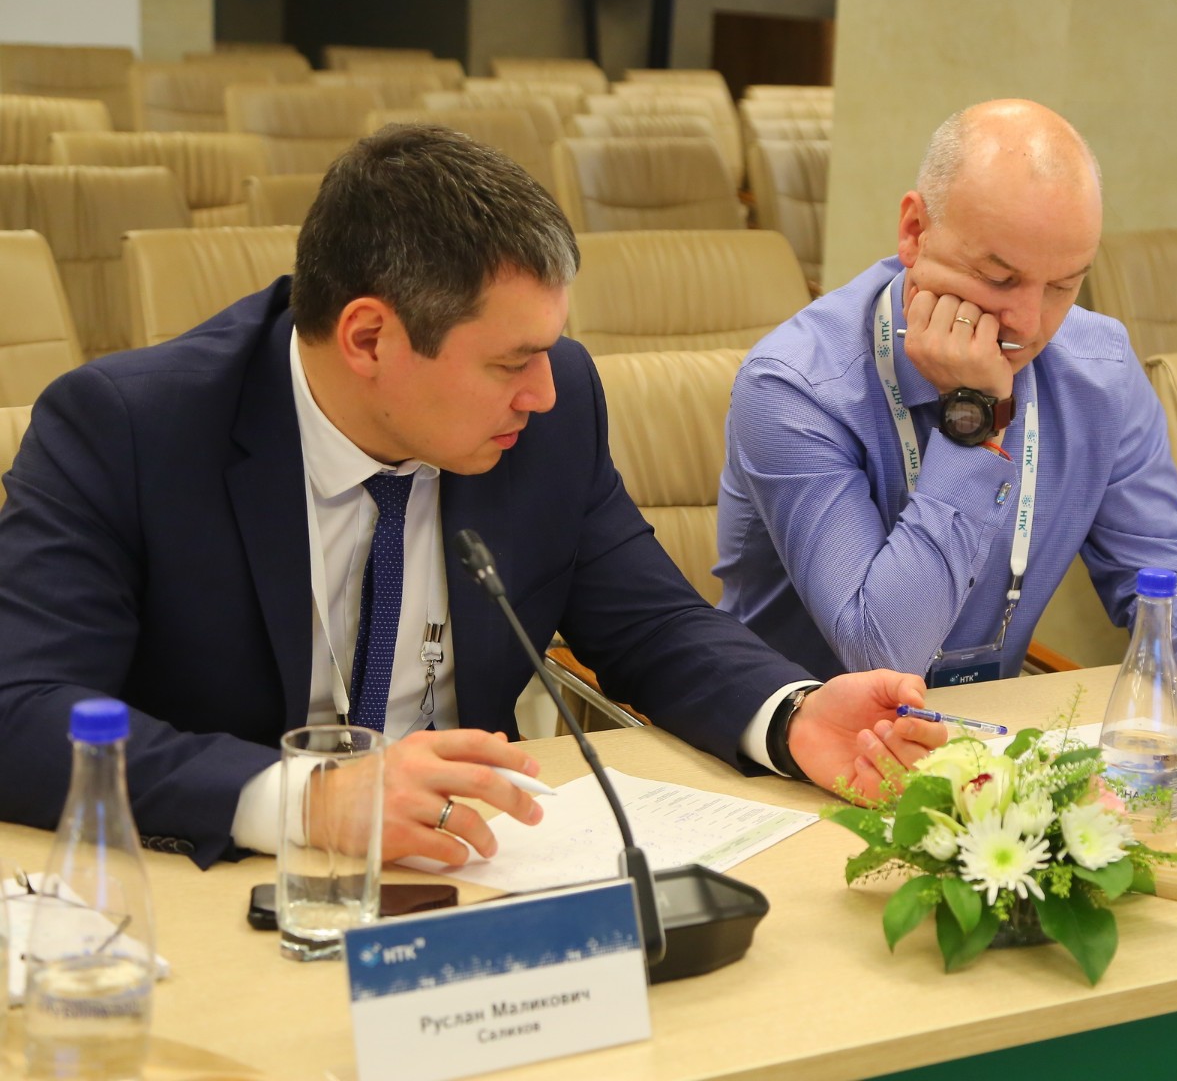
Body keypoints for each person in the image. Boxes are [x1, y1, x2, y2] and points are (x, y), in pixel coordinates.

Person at [0, 124, 943, 869]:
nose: (543, 391)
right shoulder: (129, 431)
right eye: (509, 362)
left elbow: (652, 624)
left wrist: (792, 715)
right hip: (233, 881)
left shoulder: (550, 413)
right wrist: (312, 800)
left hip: (479, 869)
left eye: (548, 350)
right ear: (369, 339)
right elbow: (20, 709)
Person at [716, 99, 1177, 704]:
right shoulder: (795, 386)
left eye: (1064, 285)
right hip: (795, 738)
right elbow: (881, 653)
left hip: (982, 737)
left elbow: (1165, 575)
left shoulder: (1101, 370)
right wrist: (974, 422)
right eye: (998, 278)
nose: (1028, 323)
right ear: (915, 231)